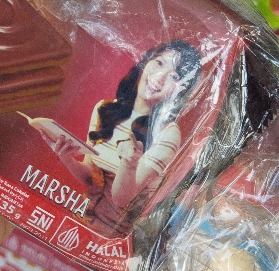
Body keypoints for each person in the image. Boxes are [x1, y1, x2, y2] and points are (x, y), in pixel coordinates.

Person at [50, 40, 202, 234]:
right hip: (80, 217)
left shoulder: (167, 133)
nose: (159, 77)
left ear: (181, 90)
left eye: (174, 76)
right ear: (146, 62)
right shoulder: (106, 109)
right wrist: (65, 156)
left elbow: (121, 199)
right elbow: (90, 177)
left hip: (113, 235)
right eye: (159, 63)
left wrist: (129, 164)